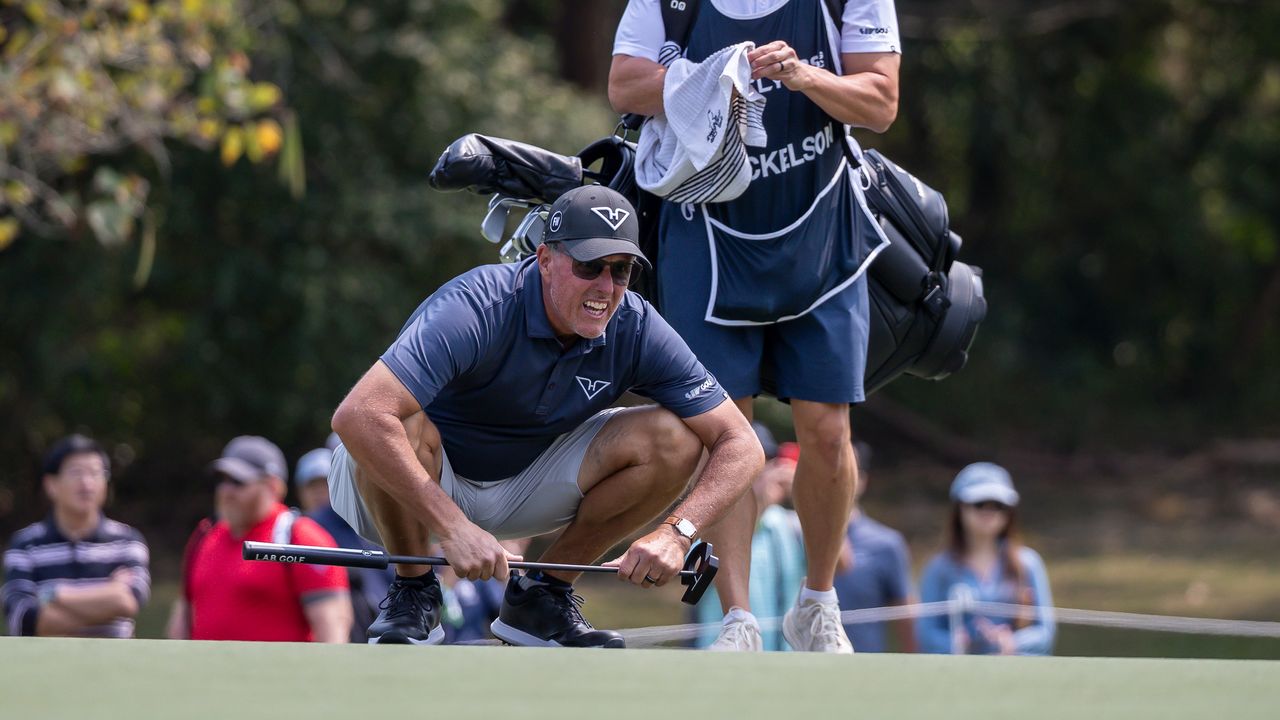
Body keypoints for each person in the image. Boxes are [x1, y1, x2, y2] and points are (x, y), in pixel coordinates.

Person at [328, 185, 763, 648]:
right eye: (589, 266)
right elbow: (357, 414)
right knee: (396, 420)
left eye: (620, 271)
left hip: (526, 486)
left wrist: (678, 534)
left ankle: (541, 596)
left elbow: (743, 444)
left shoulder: (635, 326)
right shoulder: (479, 305)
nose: (605, 287)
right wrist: (452, 525)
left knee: (676, 437)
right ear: (544, 259)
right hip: (416, 484)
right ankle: (413, 589)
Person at [610, 0, 901, 652]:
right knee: (725, 437)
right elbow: (624, 84)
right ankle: (736, 619)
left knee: (828, 431)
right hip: (705, 237)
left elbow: (880, 101)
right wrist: (724, 71)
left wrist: (802, 77)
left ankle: (818, 604)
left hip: (822, 233)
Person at [166, 436, 352, 643]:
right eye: (222, 481)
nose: (225, 491)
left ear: (273, 486)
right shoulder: (204, 535)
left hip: (279, 675)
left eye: (238, 482)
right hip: (204, 674)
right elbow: (182, 617)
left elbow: (332, 628)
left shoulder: (302, 538)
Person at [2, 434, 150, 638]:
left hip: (115, 667)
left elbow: (128, 602)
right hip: (44, 667)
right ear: (51, 485)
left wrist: (54, 594)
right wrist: (109, 596)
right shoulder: (25, 545)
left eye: (95, 473)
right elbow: (25, 618)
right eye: (76, 473)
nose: (87, 483)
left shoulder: (127, 541)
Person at [917, 462, 1056, 655]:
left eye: (998, 505)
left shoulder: (1029, 563)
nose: (988, 512)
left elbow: (1045, 632)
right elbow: (926, 634)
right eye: (979, 504)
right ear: (959, 509)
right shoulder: (938, 568)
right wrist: (962, 645)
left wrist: (1011, 643)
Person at [694, 427, 806, 651]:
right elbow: (695, 572)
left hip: (786, 656)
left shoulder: (791, 523)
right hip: (722, 653)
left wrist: (804, 495)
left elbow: (842, 564)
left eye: (767, 460)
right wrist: (760, 504)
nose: (759, 470)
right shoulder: (710, 523)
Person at [295, 446, 392, 643]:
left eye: (325, 484)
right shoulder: (302, 530)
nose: (320, 493)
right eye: (312, 486)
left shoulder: (368, 522)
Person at [832, 442, 915, 652]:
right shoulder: (790, 533)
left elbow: (907, 621)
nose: (833, 476)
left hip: (865, 669)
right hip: (801, 668)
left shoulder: (887, 544)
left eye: (845, 469)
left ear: (862, 480)